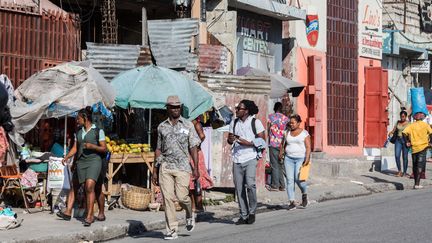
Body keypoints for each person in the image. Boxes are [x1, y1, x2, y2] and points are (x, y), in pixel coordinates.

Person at [152, 96, 200, 240]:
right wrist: (155, 170)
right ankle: (172, 230)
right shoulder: (162, 126)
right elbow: (158, 149)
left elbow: (193, 147)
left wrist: (196, 168)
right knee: (167, 198)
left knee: (182, 197)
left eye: (178, 106)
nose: (176, 109)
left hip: (183, 166)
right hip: (165, 166)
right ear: (167, 108)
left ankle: (189, 213)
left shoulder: (188, 125)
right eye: (173, 107)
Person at [57, 107, 107, 226]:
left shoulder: (98, 131)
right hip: (81, 161)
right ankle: (68, 212)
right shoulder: (79, 131)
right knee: (74, 185)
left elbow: (104, 149)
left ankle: (90, 216)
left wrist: (92, 147)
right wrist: (67, 157)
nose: (77, 120)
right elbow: (75, 147)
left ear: (85, 118)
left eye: (78, 118)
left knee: (90, 187)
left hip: (94, 161)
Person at [227, 100, 265, 225]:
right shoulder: (234, 122)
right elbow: (229, 139)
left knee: (250, 185)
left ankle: (252, 212)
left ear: (246, 111)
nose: (236, 110)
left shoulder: (255, 122)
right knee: (239, 188)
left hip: (250, 157)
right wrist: (231, 139)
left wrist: (247, 143)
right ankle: (243, 215)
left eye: (239, 108)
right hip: (237, 158)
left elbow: (262, 140)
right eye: (237, 108)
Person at [279, 114, 311, 210]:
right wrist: (281, 152)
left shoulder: (304, 133)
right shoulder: (287, 132)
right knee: (289, 180)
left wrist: (307, 157)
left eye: (293, 123)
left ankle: (304, 193)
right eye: (290, 123)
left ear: (298, 123)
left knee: (298, 179)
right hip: (288, 159)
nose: (291, 124)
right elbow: (283, 144)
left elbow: (308, 147)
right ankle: (292, 201)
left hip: (300, 158)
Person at [402, 112, 432, 189]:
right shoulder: (425, 125)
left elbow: (404, 133)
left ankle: (416, 183)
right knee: (419, 166)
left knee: (415, 165)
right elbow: (431, 133)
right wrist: (430, 142)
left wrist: (407, 142)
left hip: (414, 147)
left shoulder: (411, 125)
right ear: (422, 118)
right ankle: (417, 184)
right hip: (423, 147)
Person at [189, 118, 213, 212]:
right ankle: (193, 205)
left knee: (197, 180)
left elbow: (202, 136)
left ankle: (199, 206)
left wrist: (194, 144)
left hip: (196, 153)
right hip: (188, 154)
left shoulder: (196, 124)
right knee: (190, 181)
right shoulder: (187, 125)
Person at [267, 102, 289, 191]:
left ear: (274, 108)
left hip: (273, 143)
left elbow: (268, 128)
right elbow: (287, 131)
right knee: (280, 164)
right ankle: (282, 185)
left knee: (274, 165)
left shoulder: (270, 117)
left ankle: (275, 185)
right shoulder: (286, 119)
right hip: (282, 144)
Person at [388, 110, 409, 177]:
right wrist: (391, 132)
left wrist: (410, 142)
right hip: (398, 140)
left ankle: (405, 172)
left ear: (406, 116)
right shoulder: (398, 122)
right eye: (401, 116)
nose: (402, 118)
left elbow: (411, 133)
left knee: (405, 157)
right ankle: (399, 171)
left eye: (403, 116)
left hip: (406, 141)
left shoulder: (409, 124)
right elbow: (394, 130)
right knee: (397, 156)